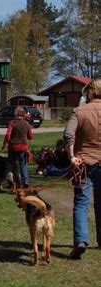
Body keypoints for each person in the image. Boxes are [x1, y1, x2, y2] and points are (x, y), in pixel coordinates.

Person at [64, 78, 101, 259]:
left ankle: (80, 240)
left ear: (90, 92)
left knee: (81, 203)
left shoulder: (79, 111)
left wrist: (72, 156)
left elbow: (68, 135)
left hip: (84, 164)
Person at [1, 106, 33, 188]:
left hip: (13, 146)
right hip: (23, 146)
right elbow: (31, 136)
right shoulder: (26, 123)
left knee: (12, 164)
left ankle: (13, 182)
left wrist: (4, 144)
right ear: (24, 114)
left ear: (15, 113)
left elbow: (8, 134)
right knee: (23, 165)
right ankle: (25, 180)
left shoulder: (12, 123)